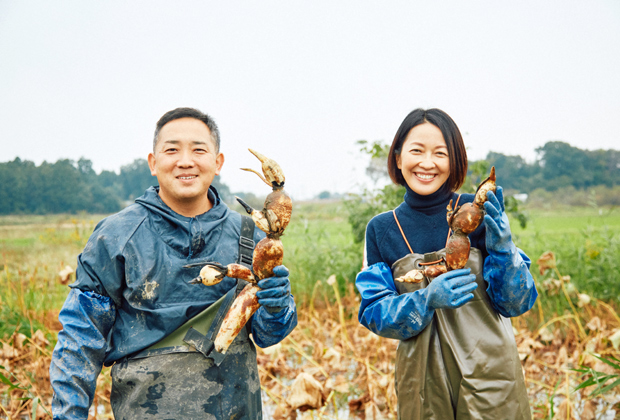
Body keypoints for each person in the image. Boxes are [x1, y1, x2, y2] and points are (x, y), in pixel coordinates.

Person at [50, 107, 297, 419]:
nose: (185, 160)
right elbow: (79, 339)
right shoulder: (116, 236)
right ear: (153, 163)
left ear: (218, 163)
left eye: (198, 149)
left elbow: (269, 334)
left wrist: (277, 305)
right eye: (171, 150)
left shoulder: (250, 235)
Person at [356, 108, 537, 419]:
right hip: (422, 383)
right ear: (398, 158)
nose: (427, 163)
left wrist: (505, 247)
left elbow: (516, 303)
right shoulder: (382, 229)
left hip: (491, 376)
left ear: (454, 161)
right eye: (416, 151)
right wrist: (425, 299)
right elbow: (374, 312)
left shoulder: (476, 212)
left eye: (440, 153)